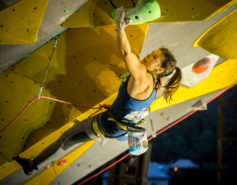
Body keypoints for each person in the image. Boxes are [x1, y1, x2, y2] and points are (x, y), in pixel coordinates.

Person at [14, 7, 182, 175]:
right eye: (152, 53)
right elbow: (134, 106)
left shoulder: (142, 76)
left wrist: (120, 26)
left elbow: (126, 51)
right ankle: (36, 164)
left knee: (65, 139)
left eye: (154, 57)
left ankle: (33, 165)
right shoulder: (156, 84)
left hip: (107, 124)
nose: (148, 56)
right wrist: (117, 109)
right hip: (117, 129)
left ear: (159, 70)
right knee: (69, 141)